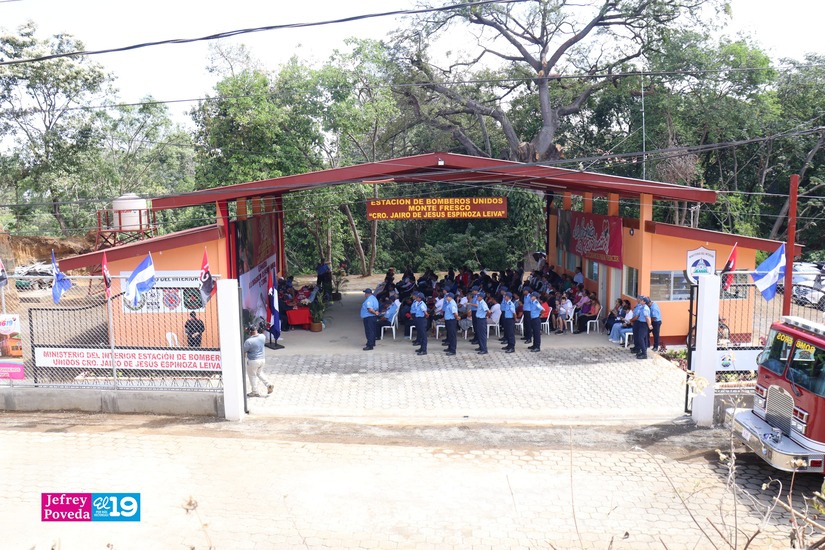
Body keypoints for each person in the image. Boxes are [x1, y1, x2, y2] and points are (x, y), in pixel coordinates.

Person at [243, 324, 271, 397]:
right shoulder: (262, 337)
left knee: (252, 376)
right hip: (262, 359)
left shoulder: (248, 341)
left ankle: (255, 391)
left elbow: (244, 350)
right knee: (259, 373)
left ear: (250, 332)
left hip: (253, 361)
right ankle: (268, 384)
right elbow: (261, 333)